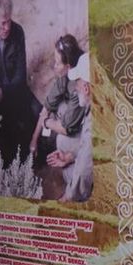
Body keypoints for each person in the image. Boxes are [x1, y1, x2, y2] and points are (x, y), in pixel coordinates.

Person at [0, 0, 40, 166]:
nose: (7, 27)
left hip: (15, 89)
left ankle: (38, 155)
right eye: (3, 23)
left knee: (38, 112)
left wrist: (5, 91)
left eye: (9, 21)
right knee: (5, 134)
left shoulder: (18, 32)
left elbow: (21, 75)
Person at [28, 34, 87, 158]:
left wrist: (46, 122)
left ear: (68, 66)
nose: (54, 66)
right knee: (58, 109)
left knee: (62, 141)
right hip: (71, 116)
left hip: (87, 128)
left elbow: (66, 128)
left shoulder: (79, 86)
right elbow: (48, 105)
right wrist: (34, 139)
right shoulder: (65, 73)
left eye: (58, 63)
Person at [46, 52, 93, 202]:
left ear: (86, 88)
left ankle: (82, 200)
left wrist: (67, 197)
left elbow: (85, 169)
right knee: (64, 142)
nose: (76, 87)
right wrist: (70, 156)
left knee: (73, 174)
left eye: (78, 82)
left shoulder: (93, 123)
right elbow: (89, 149)